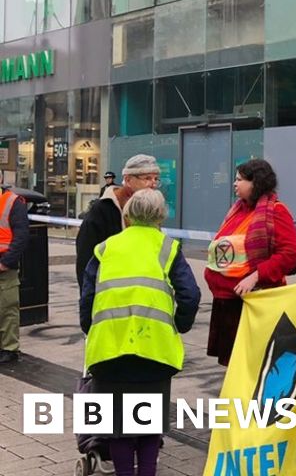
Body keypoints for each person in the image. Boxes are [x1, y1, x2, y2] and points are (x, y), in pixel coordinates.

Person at [79, 189, 200, 476]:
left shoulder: (106, 249)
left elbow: (87, 297)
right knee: (148, 425)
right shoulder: (167, 248)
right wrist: (180, 324)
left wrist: (92, 329)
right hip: (154, 350)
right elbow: (190, 294)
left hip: (109, 350)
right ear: (160, 217)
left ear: (128, 215)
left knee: (119, 428)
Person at [204, 159, 296, 366]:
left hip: (253, 302)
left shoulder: (276, 211)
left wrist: (256, 276)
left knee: (251, 365)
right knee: (234, 367)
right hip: (227, 302)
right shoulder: (238, 210)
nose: (235, 184)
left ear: (255, 182)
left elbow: (290, 253)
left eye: (240, 179)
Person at [76, 155, 162, 292]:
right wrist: (88, 302)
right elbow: (85, 261)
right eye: (147, 178)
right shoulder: (101, 210)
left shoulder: (149, 210)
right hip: (110, 295)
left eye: (156, 179)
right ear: (128, 180)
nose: (154, 184)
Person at [0, 185, 29, 364]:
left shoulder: (13, 201)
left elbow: (21, 236)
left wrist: (6, 262)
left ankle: (9, 349)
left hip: (4, 265)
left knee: (7, 309)